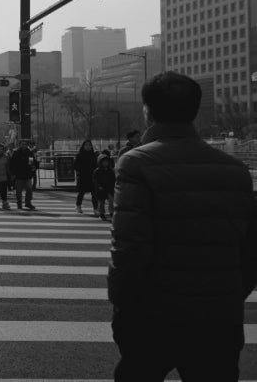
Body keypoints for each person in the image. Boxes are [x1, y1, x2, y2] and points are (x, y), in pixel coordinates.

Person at [108, 71, 257, 381]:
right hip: (219, 316)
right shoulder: (236, 170)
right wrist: (229, 296)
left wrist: (123, 305)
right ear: (195, 109)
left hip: (154, 314)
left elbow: (129, 248)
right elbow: (250, 250)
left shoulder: (136, 163)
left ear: (148, 111)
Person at [9, 139, 36, 210]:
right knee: (18, 191)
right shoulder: (16, 153)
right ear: (20, 145)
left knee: (29, 190)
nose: (24, 146)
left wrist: (33, 168)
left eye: (25, 144)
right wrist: (13, 174)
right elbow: (12, 164)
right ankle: (19, 204)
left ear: (27, 145)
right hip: (19, 175)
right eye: (22, 144)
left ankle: (28, 203)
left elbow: (32, 162)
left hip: (28, 175)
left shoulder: (29, 153)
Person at [73, 139, 97, 214]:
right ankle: (78, 206)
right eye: (86, 145)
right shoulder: (79, 155)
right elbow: (75, 166)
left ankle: (95, 209)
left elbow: (96, 165)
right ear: (83, 146)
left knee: (94, 193)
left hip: (92, 176)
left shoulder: (94, 155)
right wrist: (81, 171)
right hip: (82, 176)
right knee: (81, 192)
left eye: (89, 145)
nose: (88, 146)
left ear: (91, 146)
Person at [93, 153, 115, 221]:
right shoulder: (97, 171)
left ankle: (111, 212)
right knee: (101, 202)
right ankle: (102, 213)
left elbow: (113, 179)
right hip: (101, 189)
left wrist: (113, 186)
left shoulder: (111, 171)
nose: (105, 163)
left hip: (109, 188)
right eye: (104, 162)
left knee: (111, 200)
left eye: (107, 162)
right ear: (100, 162)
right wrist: (99, 186)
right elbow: (95, 180)